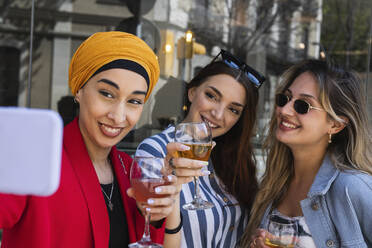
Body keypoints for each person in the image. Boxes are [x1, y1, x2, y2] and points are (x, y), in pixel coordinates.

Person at [0, 31, 178, 248]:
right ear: (79, 90)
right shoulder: (35, 158)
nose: (118, 116)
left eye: (134, 101)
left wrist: (158, 214)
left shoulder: (131, 170)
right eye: (107, 94)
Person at [136, 49, 266, 247]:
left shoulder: (233, 159)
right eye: (212, 96)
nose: (218, 113)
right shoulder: (155, 150)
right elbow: (151, 225)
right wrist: (170, 184)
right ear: (192, 92)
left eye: (233, 109)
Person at [239, 59, 372, 248]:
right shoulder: (273, 184)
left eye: (303, 105)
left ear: (335, 125)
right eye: (284, 98)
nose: (284, 110)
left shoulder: (352, 188)